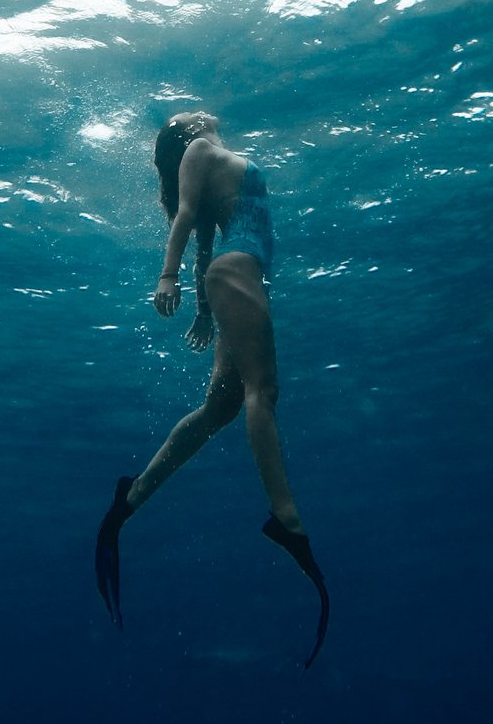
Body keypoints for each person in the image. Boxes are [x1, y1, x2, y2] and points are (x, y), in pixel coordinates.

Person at [93, 111, 329, 668]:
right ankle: (286, 518)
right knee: (262, 393)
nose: (194, 111)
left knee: (220, 407)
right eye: (184, 119)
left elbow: (203, 241)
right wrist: (167, 275)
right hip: (238, 272)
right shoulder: (200, 147)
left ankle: (130, 498)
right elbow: (188, 222)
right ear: (185, 136)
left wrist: (203, 308)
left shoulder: (205, 159)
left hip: (229, 276)